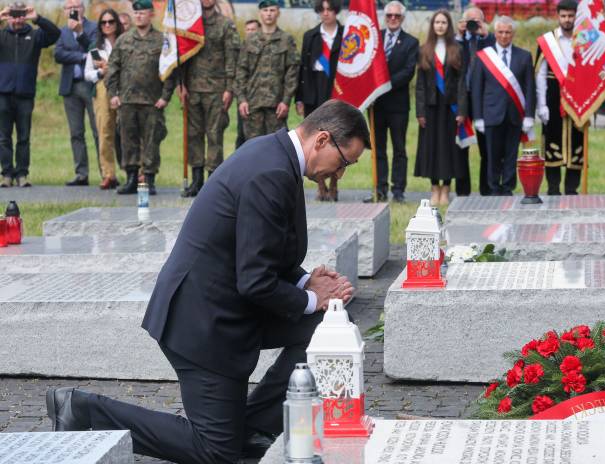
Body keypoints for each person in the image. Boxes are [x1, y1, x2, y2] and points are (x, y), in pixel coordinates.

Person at [45, 99, 366, 464]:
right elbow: (255, 281)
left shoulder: (277, 157)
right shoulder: (271, 172)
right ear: (322, 140)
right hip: (202, 322)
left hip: (230, 305)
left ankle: (253, 428)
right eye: (345, 162)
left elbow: (260, 249)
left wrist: (307, 281)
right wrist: (311, 299)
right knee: (215, 452)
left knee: (331, 327)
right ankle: (83, 411)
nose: (341, 174)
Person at [105, 0, 174, 195]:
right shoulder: (124, 40)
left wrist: (165, 96)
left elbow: (170, 71)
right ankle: (131, 178)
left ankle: (149, 179)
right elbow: (112, 68)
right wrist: (113, 94)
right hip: (127, 100)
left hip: (152, 101)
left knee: (151, 141)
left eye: (143, 13)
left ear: (151, 14)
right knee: (128, 141)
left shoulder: (162, 40)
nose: (139, 16)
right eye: (136, 13)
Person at [179, 0, 240, 198]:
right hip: (193, 89)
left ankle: (213, 181)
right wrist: (182, 84)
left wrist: (229, 88)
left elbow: (231, 57)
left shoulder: (225, 24)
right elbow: (182, 56)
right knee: (194, 135)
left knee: (215, 135)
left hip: (217, 89)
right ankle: (196, 180)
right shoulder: (189, 23)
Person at [471, 15, 535, 196]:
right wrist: (478, 117)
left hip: (515, 115)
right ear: (495, 33)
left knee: (511, 155)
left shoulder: (524, 56)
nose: (504, 36)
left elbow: (530, 88)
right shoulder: (484, 57)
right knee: (492, 155)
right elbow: (477, 88)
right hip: (491, 114)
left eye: (508, 32)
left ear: (513, 33)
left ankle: (508, 188)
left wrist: (529, 115)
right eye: (500, 32)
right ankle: (493, 188)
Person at [0, 2, 60, 188]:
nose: (17, 20)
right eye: (14, 15)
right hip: (3, 94)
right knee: (3, 137)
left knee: (24, 137)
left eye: (21, 15)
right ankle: (7, 174)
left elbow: (55, 34)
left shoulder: (35, 35)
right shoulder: (1, 35)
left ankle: (22, 174)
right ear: (8, 17)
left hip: (25, 94)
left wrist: (37, 18)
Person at [366, 1, 418, 203]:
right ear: (385, 17)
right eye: (389, 15)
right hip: (376, 104)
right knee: (378, 149)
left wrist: (384, 85)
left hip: (398, 106)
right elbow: (366, 66)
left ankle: (398, 191)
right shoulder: (373, 38)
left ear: (402, 18)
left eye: (397, 16)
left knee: (399, 149)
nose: (393, 19)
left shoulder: (411, 42)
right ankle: (379, 189)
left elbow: (408, 71)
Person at [414, 10, 467, 206]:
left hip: (450, 108)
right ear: (432, 25)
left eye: (444, 22)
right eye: (437, 22)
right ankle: (435, 187)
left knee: (449, 149)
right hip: (431, 108)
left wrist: (461, 110)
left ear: (448, 25)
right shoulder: (424, 50)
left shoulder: (457, 49)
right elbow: (420, 85)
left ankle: (446, 188)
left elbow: (462, 82)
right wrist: (420, 111)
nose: (440, 25)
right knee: (432, 148)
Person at [297, 0, 343, 201]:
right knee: (316, 142)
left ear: (336, 11)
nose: (326, 13)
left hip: (337, 93)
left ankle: (334, 183)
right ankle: (321, 185)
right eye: (322, 9)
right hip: (313, 94)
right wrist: (300, 98)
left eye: (330, 9)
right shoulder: (310, 36)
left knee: (337, 141)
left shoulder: (346, 35)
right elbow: (303, 68)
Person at [536, 0, 582, 196]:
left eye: (571, 16)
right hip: (553, 99)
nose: (567, 20)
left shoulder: (585, 39)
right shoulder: (547, 41)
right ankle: (553, 188)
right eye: (563, 16)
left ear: (576, 17)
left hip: (579, 100)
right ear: (558, 16)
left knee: (577, 142)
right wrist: (542, 105)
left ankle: (572, 189)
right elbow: (540, 75)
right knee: (552, 142)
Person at [236, 1, 298, 143]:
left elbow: (292, 73)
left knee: (277, 145)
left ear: (278, 13)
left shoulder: (286, 40)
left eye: (272, 10)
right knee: (252, 146)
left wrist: (286, 101)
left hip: (276, 105)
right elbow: (241, 71)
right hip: (253, 103)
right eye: (265, 10)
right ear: (260, 13)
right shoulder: (250, 40)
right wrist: (242, 99)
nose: (268, 14)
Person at [56, 0, 99, 187]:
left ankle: (106, 173)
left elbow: (95, 52)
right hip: (70, 86)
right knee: (76, 133)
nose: (73, 10)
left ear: (83, 8)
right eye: (69, 7)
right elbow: (58, 54)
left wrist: (81, 33)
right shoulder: (63, 31)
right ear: (65, 10)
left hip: (90, 85)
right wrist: (81, 56)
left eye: (77, 7)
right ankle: (81, 174)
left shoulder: (94, 27)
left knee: (98, 131)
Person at [84, 8, 124, 190]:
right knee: (104, 131)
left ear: (117, 23)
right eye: (103, 22)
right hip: (102, 88)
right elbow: (87, 74)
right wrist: (101, 71)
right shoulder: (95, 48)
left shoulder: (125, 42)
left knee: (128, 131)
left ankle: (136, 171)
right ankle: (108, 174)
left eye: (111, 21)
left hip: (124, 87)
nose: (107, 25)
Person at [456, 6, 493, 196]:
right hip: (463, 99)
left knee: (487, 147)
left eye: (476, 21)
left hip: (484, 99)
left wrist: (484, 35)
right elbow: (453, 59)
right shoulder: (458, 41)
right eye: (469, 20)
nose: (472, 24)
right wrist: (459, 35)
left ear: (483, 22)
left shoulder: (488, 40)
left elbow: (495, 57)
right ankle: (463, 191)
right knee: (461, 145)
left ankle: (487, 189)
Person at [234, 19, 260, 149]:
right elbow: (238, 76)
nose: (250, 32)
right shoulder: (241, 49)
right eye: (248, 30)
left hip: (262, 99)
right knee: (242, 134)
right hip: (244, 98)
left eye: (253, 29)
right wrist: (241, 98)